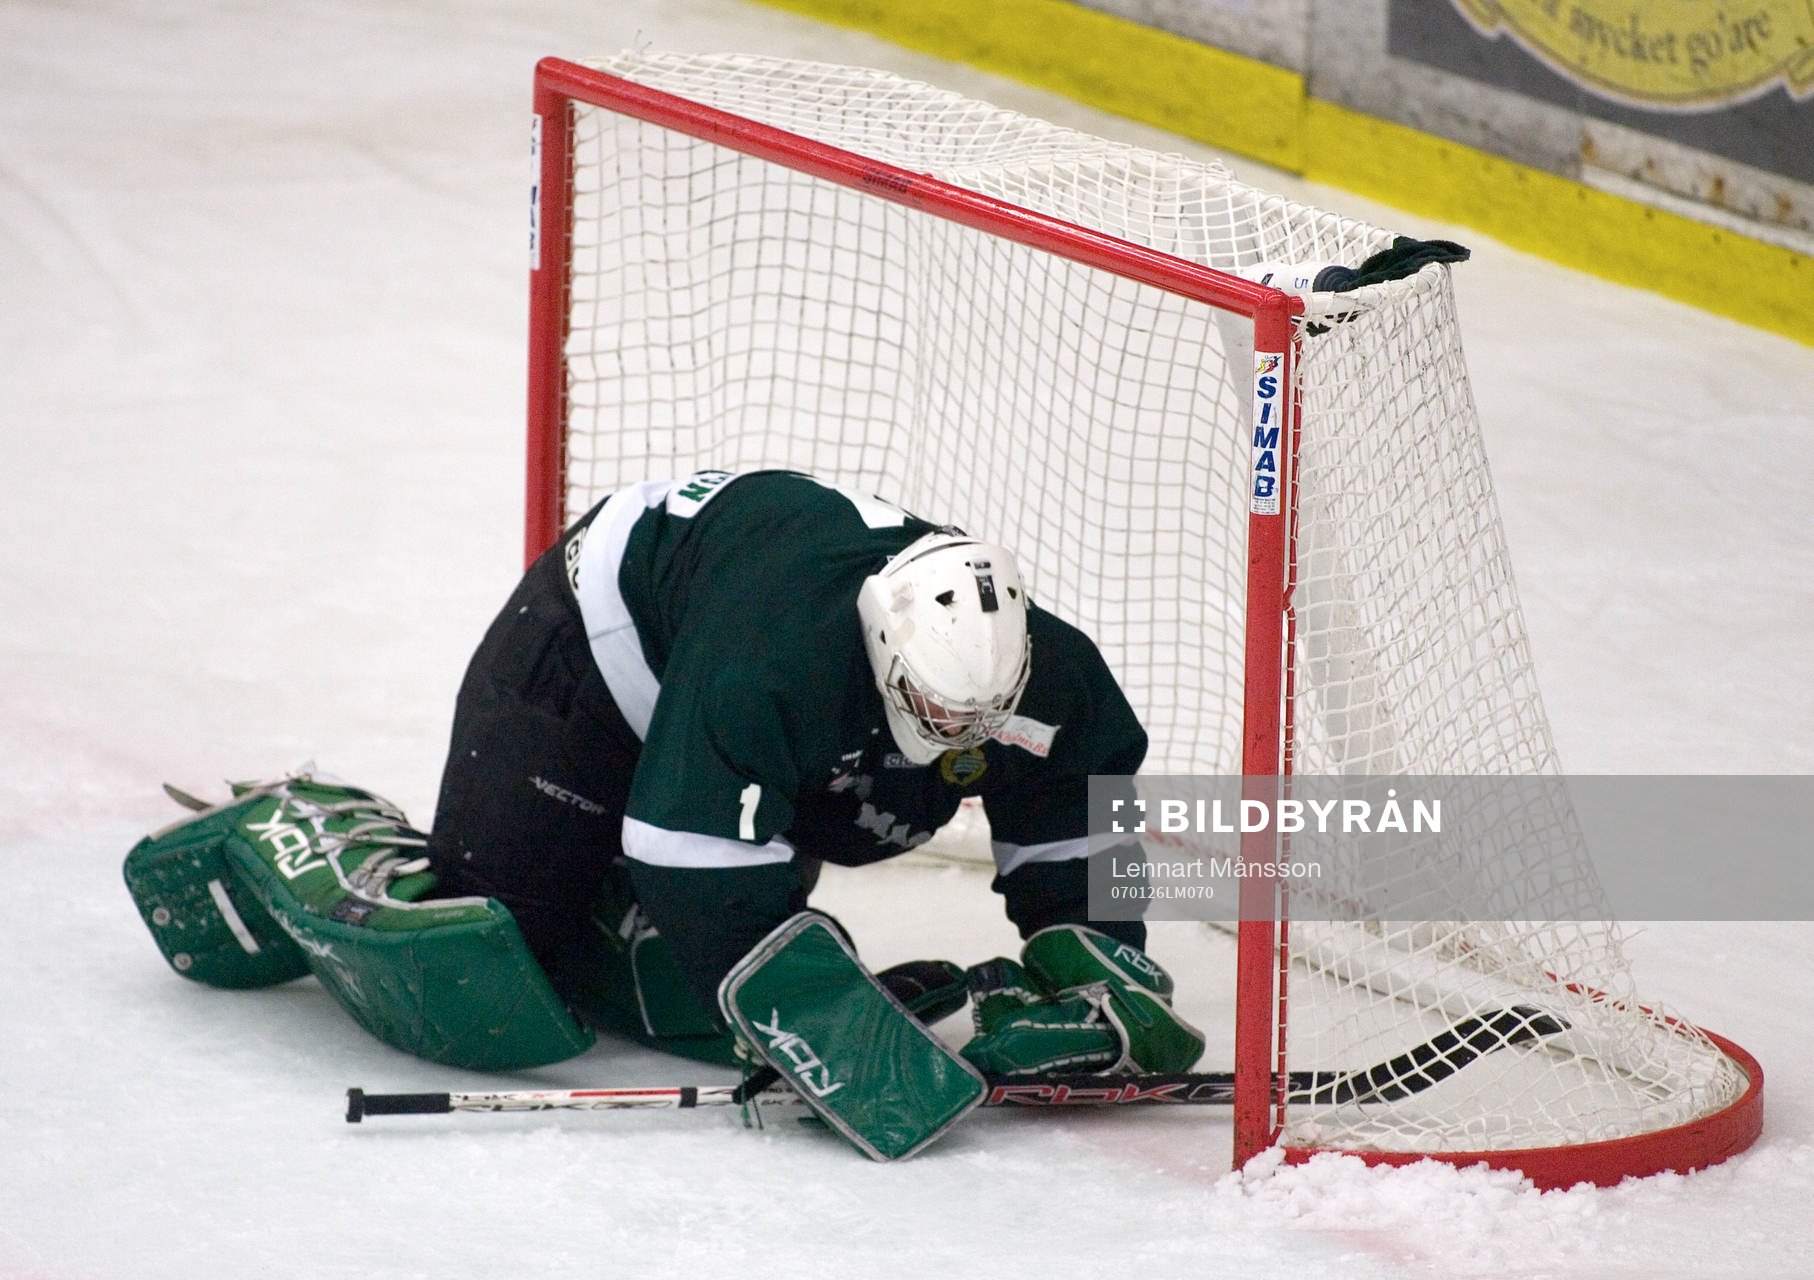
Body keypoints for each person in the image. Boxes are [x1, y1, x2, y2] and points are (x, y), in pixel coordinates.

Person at [123, 465, 1202, 1161]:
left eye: (983, 712)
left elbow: (1073, 807)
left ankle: (620, 931)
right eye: (933, 707)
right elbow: (690, 853)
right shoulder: (772, 666)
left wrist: (1094, 961)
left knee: (688, 979)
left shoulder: (1042, 669)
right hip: (602, 655)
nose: (959, 730)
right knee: (486, 957)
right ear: (882, 650)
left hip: (762, 689)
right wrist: (834, 1033)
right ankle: (302, 823)